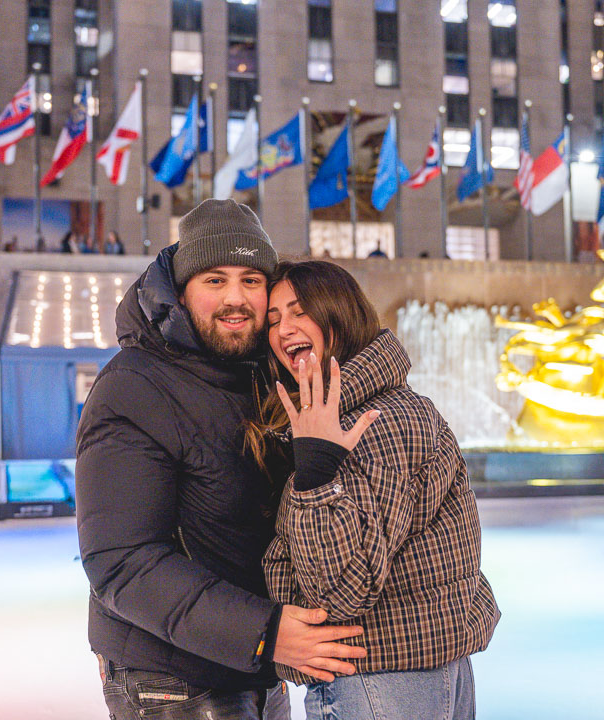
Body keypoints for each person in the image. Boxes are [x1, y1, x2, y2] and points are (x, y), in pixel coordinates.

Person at [75, 199, 367, 720]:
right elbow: (121, 560)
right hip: (174, 682)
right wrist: (266, 633)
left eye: (252, 280)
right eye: (214, 280)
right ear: (181, 292)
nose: (236, 299)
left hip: (258, 670)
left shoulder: (262, 378)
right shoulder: (133, 386)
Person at [252, 261, 500, 720]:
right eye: (273, 320)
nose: (284, 329)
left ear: (339, 316)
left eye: (299, 312)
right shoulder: (381, 409)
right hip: (411, 676)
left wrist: (314, 473)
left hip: (377, 681)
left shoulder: (372, 424)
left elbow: (340, 592)